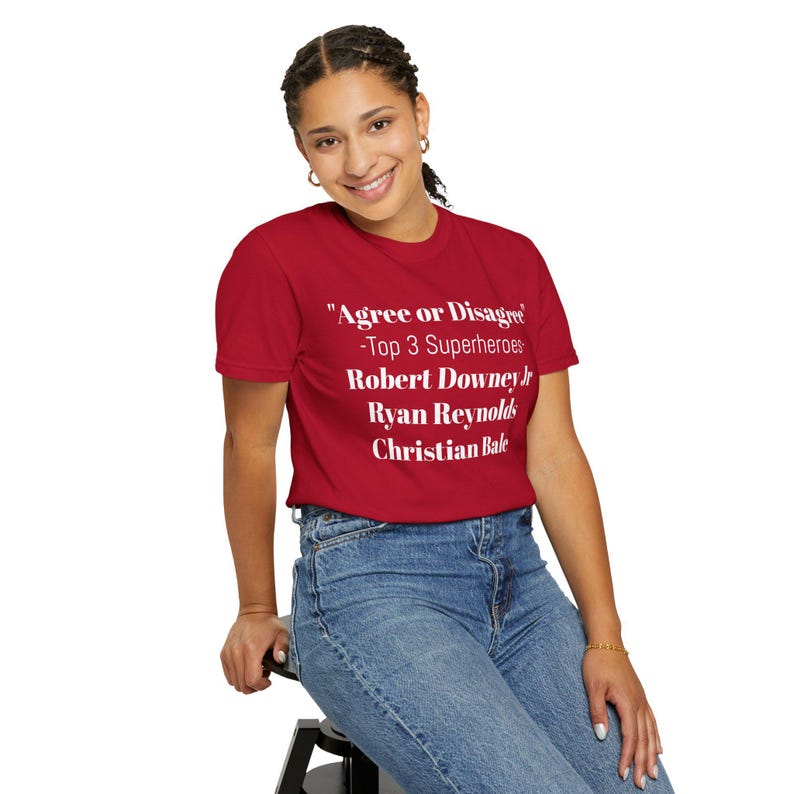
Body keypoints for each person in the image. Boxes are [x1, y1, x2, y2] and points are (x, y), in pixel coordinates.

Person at [215, 24, 675, 794]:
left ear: (421, 115)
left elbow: (555, 454)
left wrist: (607, 641)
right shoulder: (275, 259)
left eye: (379, 124)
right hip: (368, 586)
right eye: (326, 141)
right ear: (303, 153)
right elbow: (249, 444)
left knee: (641, 789)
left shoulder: (513, 260)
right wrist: (256, 604)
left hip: (518, 583)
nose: (359, 162)